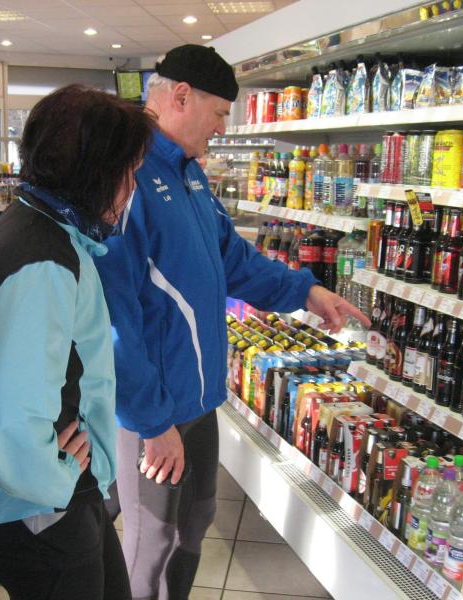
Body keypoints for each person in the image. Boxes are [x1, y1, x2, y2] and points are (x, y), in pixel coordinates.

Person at [94, 44, 370, 600]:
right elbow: (113, 316)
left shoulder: (191, 177)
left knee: (193, 525)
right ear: (180, 97)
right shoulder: (127, 178)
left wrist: (306, 291)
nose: (223, 127)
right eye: (220, 112)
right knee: (153, 544)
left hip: (200, 399)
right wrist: (150, 421)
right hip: (154, 409)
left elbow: (233, 261)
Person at [0, 84, 155, 600]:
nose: (132, 186)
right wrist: (59, 479)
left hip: (55, 496)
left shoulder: (46, 231)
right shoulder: (42, 261)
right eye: (129, 170)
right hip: (38, 509)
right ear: (97, 172)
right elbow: (19, 419)